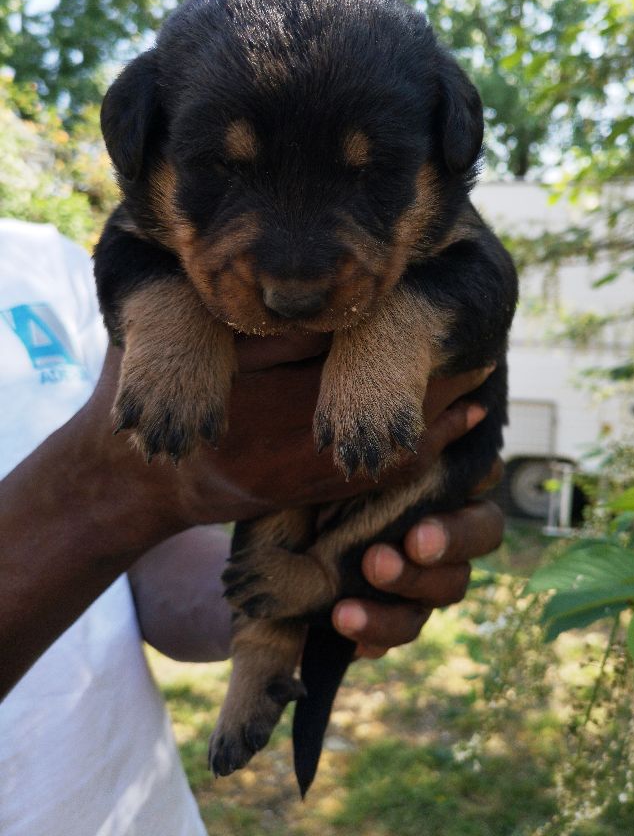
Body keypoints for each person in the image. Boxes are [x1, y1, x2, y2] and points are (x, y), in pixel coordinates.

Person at [0, 217, 504, 835]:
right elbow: (141, 486)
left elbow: (140, 549)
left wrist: (263, 609)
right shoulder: (117, 244)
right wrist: (129, 485)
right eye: (222, 174)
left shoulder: (41, 260)